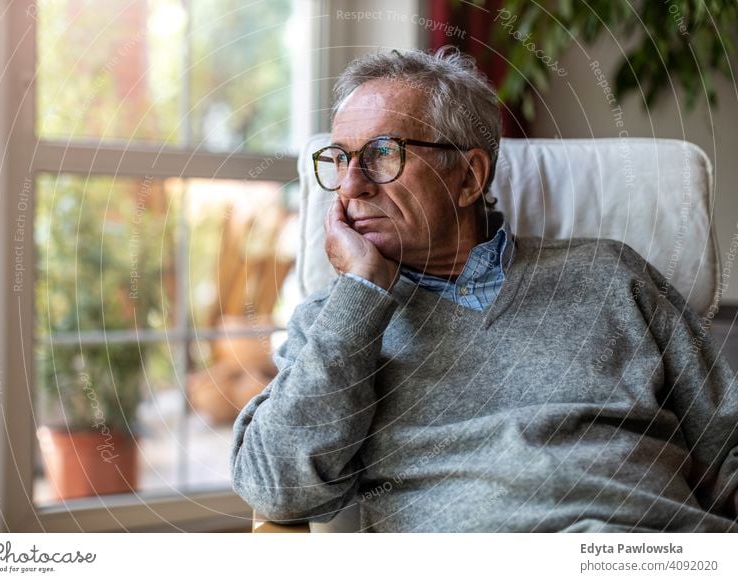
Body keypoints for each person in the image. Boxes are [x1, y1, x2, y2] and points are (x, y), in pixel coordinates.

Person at [230, 47, 738, 532]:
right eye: (340, 159)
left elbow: (727, 439)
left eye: (383, 154)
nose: (350, 185)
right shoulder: (337, 323)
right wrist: (362, 292)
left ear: (469, 177)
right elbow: (277, 488)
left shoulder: (610, 274)